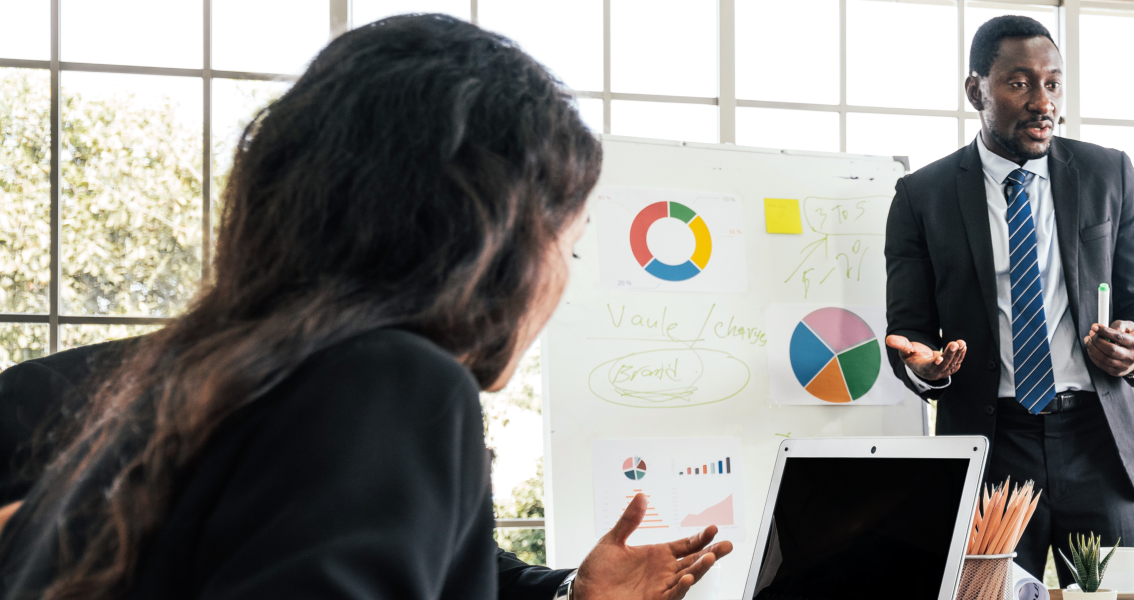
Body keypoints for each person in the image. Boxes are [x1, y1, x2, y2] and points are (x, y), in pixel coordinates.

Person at [0, 15, 731, 600]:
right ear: (491, 236)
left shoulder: (177, 398)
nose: (559, 284)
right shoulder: (389, 381)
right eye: (565, 245)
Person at [0, 337, 722, 600]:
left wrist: (572, 596)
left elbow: (465, 570)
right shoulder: (54, 397)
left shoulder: (419, 414)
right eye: (560, 241)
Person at [882, 15, 1134, 584]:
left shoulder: (1108, 172)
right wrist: (929, 369)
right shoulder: (922, 196)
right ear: (975, 91)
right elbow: (907, 330)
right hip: (992, 448)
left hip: (1100, 442)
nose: (1044, 103)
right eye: (1019, 83)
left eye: (1054, 84)